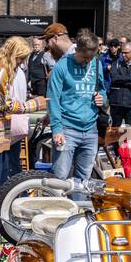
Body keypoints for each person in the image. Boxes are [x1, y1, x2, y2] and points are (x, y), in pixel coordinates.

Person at [0, 36, 45, 199]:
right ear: (13, 55)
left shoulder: (4, 69)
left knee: (0, 179)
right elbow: (5, 104)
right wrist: (35, 104)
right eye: (20, 58)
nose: (21, 62)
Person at [47, 27, 105, 186]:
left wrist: (102, 98)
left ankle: (79, 203)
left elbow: (102, 89)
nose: (87, 62)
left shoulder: (96, 64)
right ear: (77, 50)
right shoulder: (61, 67)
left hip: (91, 130)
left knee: (84, 181)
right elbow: (53, 99)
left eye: (91, 58)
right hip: (67, 130)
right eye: (84, 58)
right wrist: (57, 129)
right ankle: (57, 202)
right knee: (60, 179)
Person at [107, 41, 131, 137]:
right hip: (116, 103)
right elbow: (114, 79)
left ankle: (129, 146)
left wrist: (121, 80)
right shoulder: (116, 64)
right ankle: (113, 146)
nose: (123, 55)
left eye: (126, 53)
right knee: (114, 132)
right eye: (122, 52)